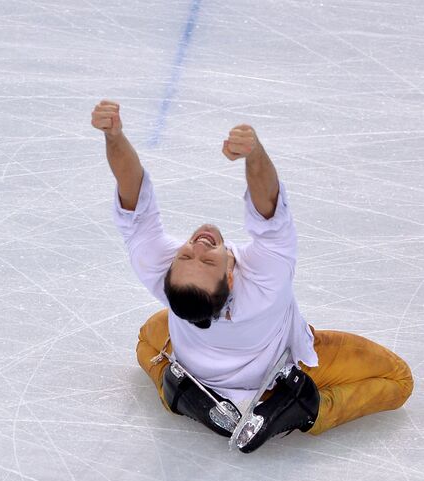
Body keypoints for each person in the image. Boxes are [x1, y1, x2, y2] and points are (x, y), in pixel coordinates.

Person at [91, 100, 413, 452]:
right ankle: (300, 410)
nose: (198, 245)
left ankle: (182, 393)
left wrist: (114, 136)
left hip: (199, 368)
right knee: (397, 378)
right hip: (282, 370)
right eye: (207, 259)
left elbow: (132, 194)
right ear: (230, 280)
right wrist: (255, 153)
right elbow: (268, 208)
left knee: (147, 337)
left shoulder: (161, 273)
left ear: (167, 280)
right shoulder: (265, 281)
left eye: (186, 254)